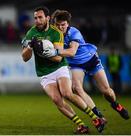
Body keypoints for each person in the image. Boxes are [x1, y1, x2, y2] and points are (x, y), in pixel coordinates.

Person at [21, 6, 105, 134]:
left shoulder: (56, 32)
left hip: (59, 68)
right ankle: (81, 125)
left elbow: (58, 59)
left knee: (67, 93)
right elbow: (25, 58)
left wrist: (44, 51)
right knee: (57, 100)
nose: (37, 20)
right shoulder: (31, 33)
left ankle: (96, 119)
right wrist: (30, 47)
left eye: (40, 17)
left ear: (47, 18)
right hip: (44, 72)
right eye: (35, 18)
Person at [42, 9, 130, 120]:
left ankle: (116, 105)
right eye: (58, 25)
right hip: (76, 65)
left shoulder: (73, 32)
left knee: (107, 92)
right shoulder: (54, 35)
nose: (60, 27)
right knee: (76, 88)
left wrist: (54, 52)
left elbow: (72, 52)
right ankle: (98, 115)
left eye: (63, 25)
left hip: (91, 60)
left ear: (68, 24)